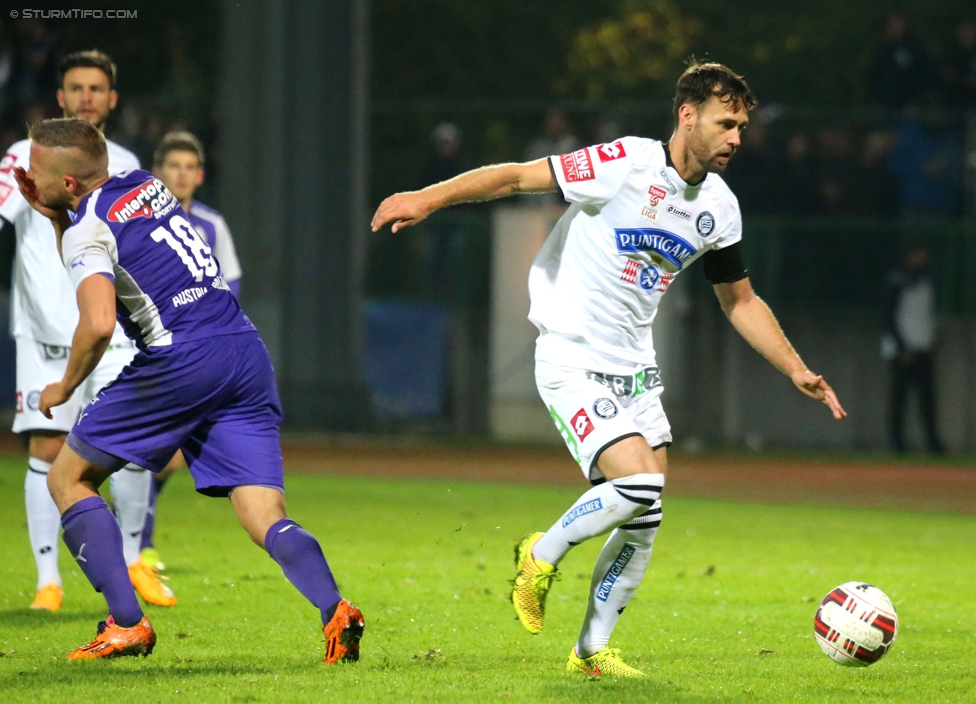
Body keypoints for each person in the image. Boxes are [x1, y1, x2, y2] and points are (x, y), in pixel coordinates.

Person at [372, 62, 846, 677]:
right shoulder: (625, 162)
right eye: (725, 123)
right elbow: (518, 177)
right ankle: (538, 554)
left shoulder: (721, 209)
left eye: (741, 127)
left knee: (646, 515)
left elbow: (740, 300)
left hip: (636, 368)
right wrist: (427, 198)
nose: (735, 137)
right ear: (687, 115)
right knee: (641, 485)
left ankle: (590, 654)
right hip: (572, 355)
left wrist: (795, 369)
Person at [13, 117, 364, 662]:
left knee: (68, 477)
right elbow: (96, 239)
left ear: (70, 183)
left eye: (37, 170)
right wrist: (59, 215)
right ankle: (335, 608)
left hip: (181, 356)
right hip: (243, 351)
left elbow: (100, 322)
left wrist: (64, 385)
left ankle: (126, 623)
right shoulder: (142, 185)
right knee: (263, 513)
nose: (29, 178)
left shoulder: (88, 225)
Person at [0, 50, 174, 611]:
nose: (86, 98)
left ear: (111, 99)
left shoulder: (125, 163)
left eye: (96, 89)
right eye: (76, 88)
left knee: (129, 449)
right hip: (47, 330)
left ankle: (131, 560)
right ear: (61, 97)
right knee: (48, 449)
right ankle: (48, 581)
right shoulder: (21, 160)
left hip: (113, 329)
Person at [139, 130, 244, 569]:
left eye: (188, 168)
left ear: (199, 176)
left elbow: (231, 286)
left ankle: (122, 527)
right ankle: (136, 543)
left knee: (169, 458)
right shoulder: (139, 224)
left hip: (195, 353)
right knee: (152, 452)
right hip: (146, 347)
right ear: (157, 174)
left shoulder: (211, 225)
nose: (180, 175)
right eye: (172, 167)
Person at [881, 243, 943, 454]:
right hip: (905, 349)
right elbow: (888, 318)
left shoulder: (927, 282)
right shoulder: (897, 282)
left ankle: (933, 443)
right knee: (899, 398)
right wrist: (900, 347)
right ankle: (897, 443)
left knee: (928, 399)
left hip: (923, 347)